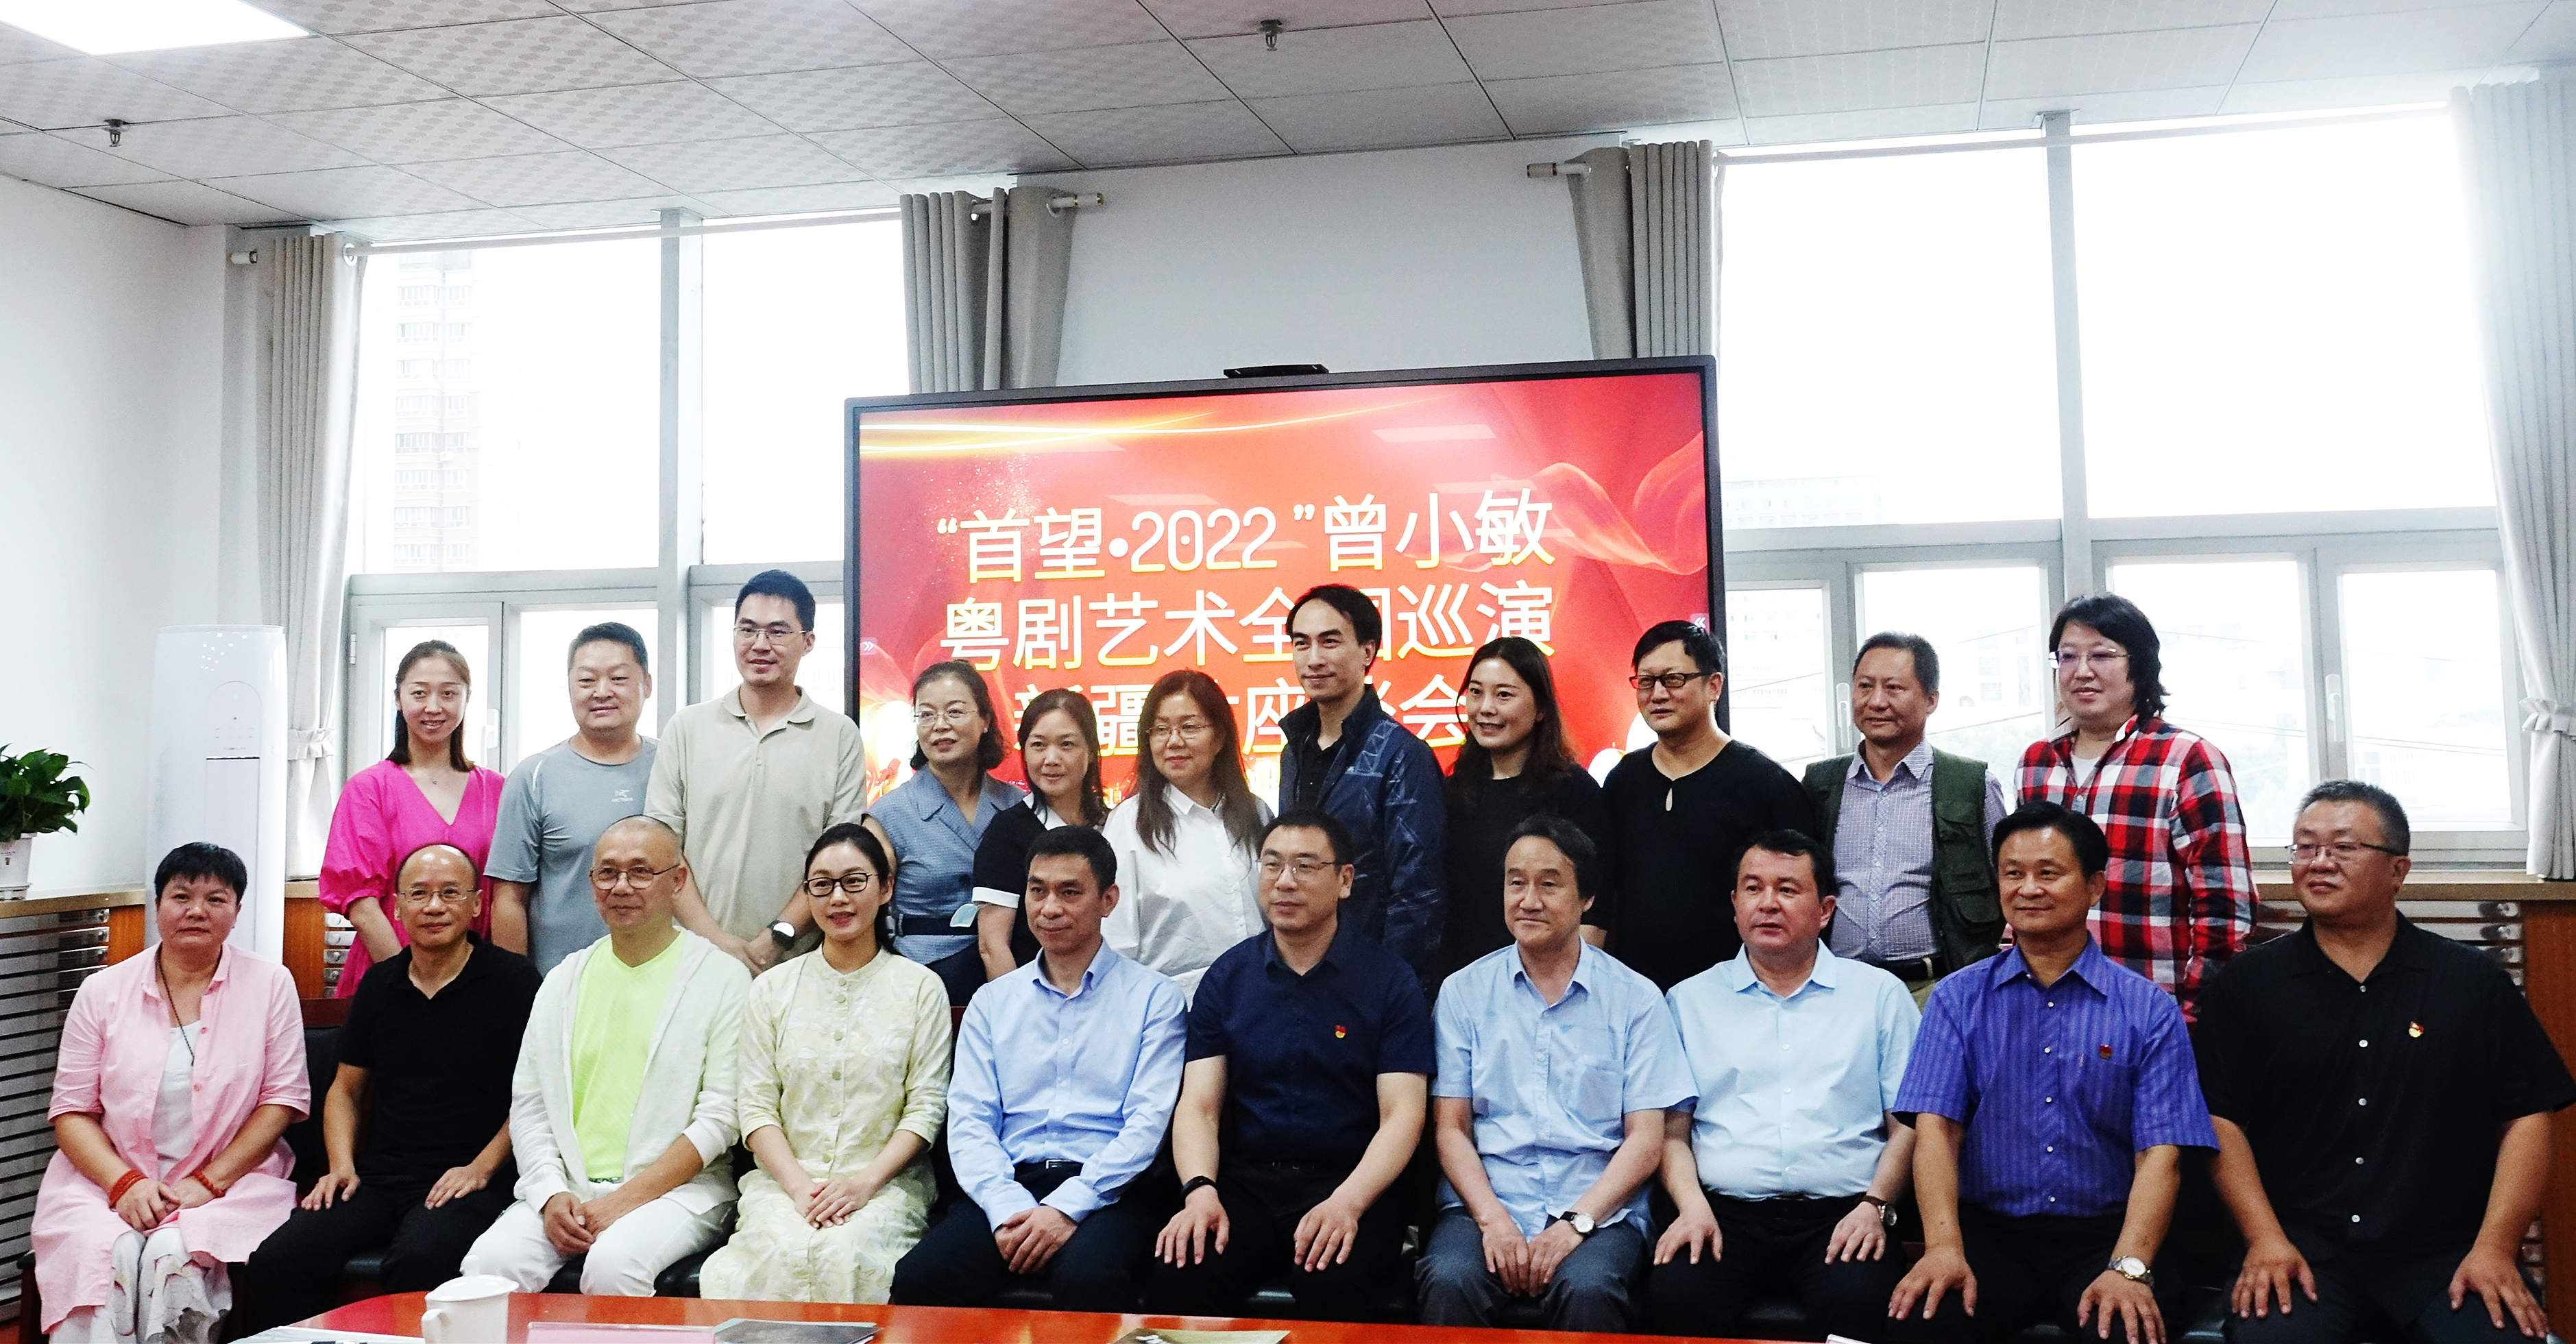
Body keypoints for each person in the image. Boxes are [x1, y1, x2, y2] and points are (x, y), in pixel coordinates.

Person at [2197, 781, 2575, 1344]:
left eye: (2344, 847)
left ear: (2399, 870)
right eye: (2305, 846)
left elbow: (2527, 1115)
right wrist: (2264, 1237)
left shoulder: (2468, 979)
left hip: (2445, 1252)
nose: (2319, 862)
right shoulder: (2250, 983)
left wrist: (2495, 1248)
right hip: (2301, 1249)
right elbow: (2219, 1118)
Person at [1887, 801, 2216, 1344]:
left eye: (2048, 872)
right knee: (1920, 1321)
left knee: (2128, 1329)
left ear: (2094, 886)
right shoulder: (1957, 998)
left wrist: (2129, 1266)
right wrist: (1943, 1248)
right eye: (2013, 873)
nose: (2028, 889)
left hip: (2109, 1235)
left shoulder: (2148, 1009)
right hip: (1988, 1234)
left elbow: (2161, 1154)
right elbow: (1936, 1131)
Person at [239, 844, 541, 1330]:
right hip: (380, 1176)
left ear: (476, 904)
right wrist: (341, 1166)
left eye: (450, 893)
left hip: (474, 1177)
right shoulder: (380, 984)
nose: (434, 906)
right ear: (397, 907)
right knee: (280, 1260)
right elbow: (345, 1090)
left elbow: (534, 1096)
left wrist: (480, 1169)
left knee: (420, 1261)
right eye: (419, 893)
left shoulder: (514, 981)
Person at [1147, 809, 1433, 1317]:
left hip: (1352, 1183)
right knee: (1182, 1269)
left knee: (1335, 1281)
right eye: (1272, 864)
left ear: (1345, 880)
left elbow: (1403, 1115)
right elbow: (1200, 1106)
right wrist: (1199, 1191)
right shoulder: (1228, 978)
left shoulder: (1390, 981)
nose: (1285, 881)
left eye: (1305, 866)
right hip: (1248, 1184)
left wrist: (1347, 1203)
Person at [1418, 816, 1695, 1332]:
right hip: (1487, 1200)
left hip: (1600, 1208)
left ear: (1586, 898)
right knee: (1450, 1279)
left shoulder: (1636, 998)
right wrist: (1494, 1221)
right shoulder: (1463, 992)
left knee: (1589, 1288)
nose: (1529, 900)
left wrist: (1575, 1224)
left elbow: (1646, 1140)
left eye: (1549, 884)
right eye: (1515, 882)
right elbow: (1451, 1128)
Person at [890, 827, 1184, 1313]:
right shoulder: (993, 1002)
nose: (1049, 908)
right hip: (1010, 1182)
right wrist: (1007, 1206)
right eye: (1037, 890)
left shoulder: (1155, 999)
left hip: (1112, 1191)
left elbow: (1147, 1124)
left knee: (1090, 1278)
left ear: (1108, 900)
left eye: (1069, 892)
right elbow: (970, 1120)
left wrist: (1067, 1206)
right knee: (922, 1277)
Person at [459, 816, 749, 1295]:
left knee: (614, 1266)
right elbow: (530, 1106)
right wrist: (550, 1194)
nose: (621, 887)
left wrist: (623, 1201)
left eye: (641, 872)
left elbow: (721, 1116)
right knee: (491, 1265)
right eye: (608, 873)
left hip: (679, 1192)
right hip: (570, 1188)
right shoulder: (562, 980)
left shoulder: (722, 978)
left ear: (677, 880)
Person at [1653, 830, 1921, 1341]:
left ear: (1825, 910)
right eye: (1753, 888)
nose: (1768, 903)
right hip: (1721, 1212)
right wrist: (1690, 1207)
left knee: (1862, 1302)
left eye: (1788, 889)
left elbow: (1907, 1124)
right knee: (1676, 1295)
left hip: (1844, 1213)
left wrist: (1876, 1206)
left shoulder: (1879, 995)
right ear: (1735, 904)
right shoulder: (1688, 1000)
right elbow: (1670, 1132)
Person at [36, 843, 308, 1344]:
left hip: (232, 1181)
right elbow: (72, 1112)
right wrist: (124, 1184)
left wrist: (208, 1182)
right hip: (105, 1179)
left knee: (173, 1253)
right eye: (181, 896)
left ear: (237, 911)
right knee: (109, 1255)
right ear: (157, 905)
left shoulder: (271, 983)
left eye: (215, 899)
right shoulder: (102, 990)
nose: (197, 910)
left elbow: (282, 1101)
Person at [700, 824, 953, 1304]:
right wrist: (800, 1189)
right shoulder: (771, 989)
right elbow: (756, 1108)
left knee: (844, 1252)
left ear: (886, 888)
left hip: (884, 1186)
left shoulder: (920, 988)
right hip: (785, 1184)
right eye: (822, 884)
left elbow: (926, 1109)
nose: (838, 897)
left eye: (854, 881)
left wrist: (862, 1185)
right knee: (779, 1253)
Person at [2016, 594, 2255, 1020]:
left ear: (2140, 666)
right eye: (2067, 657)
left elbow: (2224, 909)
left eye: (2101, 655)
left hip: (2152, 1014)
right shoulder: (2037, 763)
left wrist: (2192, 1017)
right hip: (2046, 1010)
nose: (2082, 671)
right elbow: (2021, 889)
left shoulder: (2187, 760)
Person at [648, 569, 866, 972]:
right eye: (747, 630)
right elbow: (663, 850)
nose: (759, 645)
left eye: (778, 632)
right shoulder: (687, 728)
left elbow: (838, 856)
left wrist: (776, 938)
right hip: (693, 960)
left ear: (808, 641)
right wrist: (717, 944)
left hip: (800, 962)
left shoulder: (839, 735)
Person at [1601, 619, 1817, 991]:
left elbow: (1798, 899)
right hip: (1637, 994)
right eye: (1646, 682)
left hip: (1736, 994)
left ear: (1713, 685)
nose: (1658, 694)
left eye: (1673, 680)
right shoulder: (1623, 780)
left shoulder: (1765, 784)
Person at [1801, 632, 2008, 1007]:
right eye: (1865, 686)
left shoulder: (1971, 785)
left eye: (1894, 688)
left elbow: (2009, 882)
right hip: (1837, 990)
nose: (1876, 701)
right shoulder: (1821, 785)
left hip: (1939, 988)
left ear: (1931, 700)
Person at [1276, 584, 1446, 981]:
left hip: (1371, 979)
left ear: (1367, 652)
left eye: (1330, 642)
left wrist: (1384, 987)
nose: (1313, 659)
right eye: (1301, 644)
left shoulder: (1402, 754)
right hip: (1300, 970)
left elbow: (1418, 895)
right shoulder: (1293, 750)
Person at [320, 638, 506, 997]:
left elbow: (504, 898)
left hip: (476, 984)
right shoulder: (369, 789)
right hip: (388, 980)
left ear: (466, 699)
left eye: (448, 694)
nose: (433, 707)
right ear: (398, 698)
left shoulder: (497, 789)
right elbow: (361, 904)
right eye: (419, 693)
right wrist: (412, 988)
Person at [1441, 636, 1614, 980]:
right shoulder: (1451, 792)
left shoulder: (1575, 792)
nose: (1485, 708)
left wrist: (1560, 988)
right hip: (1463, 984)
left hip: (1548, 984)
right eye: (1475, 692)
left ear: (1541, 709)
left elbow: (1597, 911)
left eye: (1503, 695)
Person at [489, 622, 657, 975]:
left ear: (647, 685)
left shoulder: (673, 765)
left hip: (661, 977)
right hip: (561, 981)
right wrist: (518, 991)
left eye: (618, 678)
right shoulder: (534, 776)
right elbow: (509, 898)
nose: (602, 692)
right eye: (586, 680)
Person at [1104, 670, 1273, 999]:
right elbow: (1116, 938)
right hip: (1173, 1006)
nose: (1173, 741)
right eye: (1161, 729)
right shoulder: (1129, 823)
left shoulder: (1256, 813)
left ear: (1219, 738)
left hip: (1260, 999)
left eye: (1189, 727)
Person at [876, 660, 1026, 1005]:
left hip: (1011, 970)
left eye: (955, 712)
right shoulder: (888, 815)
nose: (940, 725)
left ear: (985, 720)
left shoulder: (1017, 806)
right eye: (926, 715)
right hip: (920, 980)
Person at [971, 689, 1106, 981]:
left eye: (1067, 744)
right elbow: (993, 946)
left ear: (1091, 752)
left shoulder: (1114, 824)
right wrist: (1018, 1005)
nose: (1051, 759)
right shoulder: (1007, 832)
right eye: (1038, 745)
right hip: (1035, 992)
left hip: (1111, 988)